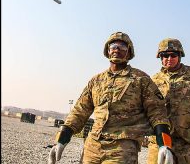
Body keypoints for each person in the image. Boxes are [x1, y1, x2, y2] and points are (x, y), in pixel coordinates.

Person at [48, 31, 175, 164]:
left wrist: (164, 145)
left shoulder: (141, 80)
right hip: (93, 146)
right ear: (108, 51)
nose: (117, 50)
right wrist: (61, 141)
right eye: (113, 46)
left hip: (122, 148)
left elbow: (157, 113)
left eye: (122, 47)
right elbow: (79, 111)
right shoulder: (97, 81)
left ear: (129, 52)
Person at [147, 38, 190, 164]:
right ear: (160, 57)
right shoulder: (153, 81)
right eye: (165, 55)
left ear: (180, 56)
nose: (169, 58)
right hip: (160, 145)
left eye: (173, 55)